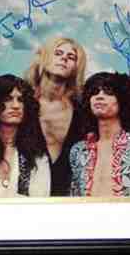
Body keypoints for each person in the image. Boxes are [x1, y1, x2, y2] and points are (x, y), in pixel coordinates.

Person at [25, 37, 87, 196]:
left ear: (76, 67)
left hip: (66, 195)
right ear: (43, 58)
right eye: (58, 53)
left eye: (71, 57)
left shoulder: (81, 109)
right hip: (27, 193)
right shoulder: (22, 102)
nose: (64, 58)